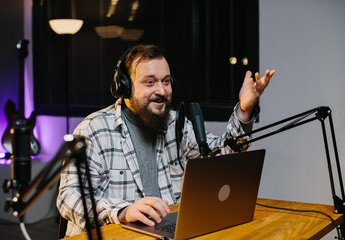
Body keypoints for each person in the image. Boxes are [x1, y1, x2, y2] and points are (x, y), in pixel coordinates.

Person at [57, 44, 275, 237]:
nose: (161, 91)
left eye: (166, 81)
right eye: (149, 82)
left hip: (167, 232)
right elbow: (69, 197)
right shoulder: (94, 130)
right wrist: (122, 212)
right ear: (124, 86)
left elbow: (222, 157)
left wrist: (244, 111)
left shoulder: (175, 124)